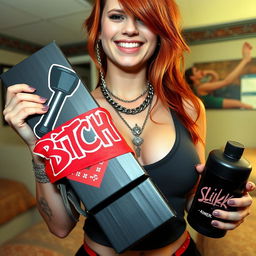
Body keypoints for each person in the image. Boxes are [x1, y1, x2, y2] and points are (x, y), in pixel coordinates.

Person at [3, 0, 255, 255]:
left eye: (143, 19)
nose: (130, 29)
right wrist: (37, 147)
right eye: (116, 16)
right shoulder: (67, 115)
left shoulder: (189, 108)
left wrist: (224, 206)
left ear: (159, 32)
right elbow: (60, 227)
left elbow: (190, 199)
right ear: (99, 30)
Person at [185, 42, 254, 109]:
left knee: (244, 104)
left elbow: (215, 78)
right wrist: (245, 60)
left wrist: (209, 72)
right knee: (244, 105)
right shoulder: (201, 87)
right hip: (218, 103)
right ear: (192, 77)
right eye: (196, 71)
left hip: (219, 101)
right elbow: (227, 81)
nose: (200, 71)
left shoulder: (201, 86)